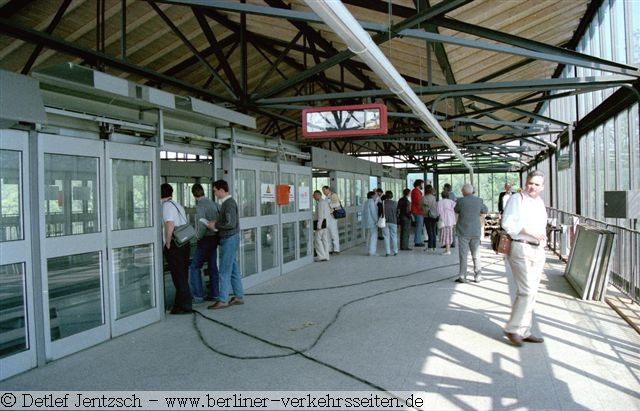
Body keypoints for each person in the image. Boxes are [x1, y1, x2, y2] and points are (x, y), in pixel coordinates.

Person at [502, 170, 547, 346]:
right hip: (521, 247)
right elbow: (507, 223)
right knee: (526, 290)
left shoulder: (540, 202)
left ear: (542, 187)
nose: (532, 187)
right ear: (525, 182)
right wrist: (528, 231)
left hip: (538, 249)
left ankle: (524, 330)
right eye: (530, 183)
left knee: (532, 292)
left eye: (536, 184)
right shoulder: (517, 199)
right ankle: (512, 329)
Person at [206, 180, 244, 309]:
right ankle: (238, 296)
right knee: (233, 269)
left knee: (224, 271)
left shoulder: (229, 204)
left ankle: (223, 300)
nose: (215, 193)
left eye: (215, 190)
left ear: (221, 190)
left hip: (229, 239)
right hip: (230, 239)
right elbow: (228, 221)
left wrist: (215, 225)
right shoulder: (227, 204)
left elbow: (230, 223)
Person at [160, 183, 192, 314]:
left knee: (178, 275)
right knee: (182, 274)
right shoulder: (177, 204)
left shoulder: (166, 206)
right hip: (184, 242)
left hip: (175, 244)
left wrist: (167, 243)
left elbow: (169, 224)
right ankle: (180, 304)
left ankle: (184, 306)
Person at [188, 183, 220, 304]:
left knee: (195, 266)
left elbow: (201, 224)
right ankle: (215, 294)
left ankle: (198, 296)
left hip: (205, 239)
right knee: (212, 267)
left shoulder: (200, 206)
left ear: (193, 195)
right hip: (214, 238)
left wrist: (197, 237)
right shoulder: (213, 203)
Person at [454, 183, 488, 283]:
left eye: (462, 191)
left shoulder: (460, 201)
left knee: (463, 255)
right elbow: (485, 210)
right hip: (475, 231)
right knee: (476, 254)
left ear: (464, 191)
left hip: (463, 231)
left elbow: (456, 210)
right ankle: (478, 276)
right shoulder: (479, 200)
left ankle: (462, 276)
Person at [313, 190, 331, 262]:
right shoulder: (325, 202)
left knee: (317, 240)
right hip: (326, 224)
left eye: (314, 195)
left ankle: (321, 256)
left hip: (321, 224)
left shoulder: (320, 203)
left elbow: (320, 215)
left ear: (318, 195)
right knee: (325, 240)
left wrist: (318, 226)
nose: (313, 197)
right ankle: (326, 256)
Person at [322, 185, 341, 254]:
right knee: (327, 233)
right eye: (322, 190)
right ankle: (329, 249)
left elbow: (337, 204)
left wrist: (329, 205)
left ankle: (336, 249)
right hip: (326, 216)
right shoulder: (326, 197)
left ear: (328, 189)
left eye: (324, 190)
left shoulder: (333, 195)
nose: (323, 192)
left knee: (333, 233)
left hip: (332, 216)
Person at [437, 190, 456, 255]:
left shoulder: (440, 202)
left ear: (441, 195)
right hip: (451, 220)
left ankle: (448, 250)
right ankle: (447, 249)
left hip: (444, 221)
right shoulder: (451, 202)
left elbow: (439, 212)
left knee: (445, 235)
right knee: (449, 234)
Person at [420, 184, 439, 253]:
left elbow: (420, 206)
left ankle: (430, 247)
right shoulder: (434, 197)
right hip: (434, 216)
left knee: (429, 231)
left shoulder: (424, 198)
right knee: (433, 231)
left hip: (427, 215)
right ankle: (434, 246)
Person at [382, 191, 398, 256]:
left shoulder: (383, 203)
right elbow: (397, 212)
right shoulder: (395, 203)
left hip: (385, 222)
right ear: (392, 196)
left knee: (386, 237)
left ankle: (387, 252)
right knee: (394, 236)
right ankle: (395, 251)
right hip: (393, 221)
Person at [362, 191, 378, 256]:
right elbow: (373, 213)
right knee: (373, 237)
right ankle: (372, 252)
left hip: (367, 222)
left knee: (369, 236)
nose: (376, 196)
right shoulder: (371, 202)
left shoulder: (366, 202)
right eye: (375, 195)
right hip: (372, 222)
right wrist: (377, 221)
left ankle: (368, 250)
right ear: (372, 196)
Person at [410, 179, 425, 247]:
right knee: (419, 226)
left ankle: (418, 240)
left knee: (419, 226)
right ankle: (417, 241)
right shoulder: (416, 191)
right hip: (418, 211)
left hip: (417, 210)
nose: (423, 185)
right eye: (422, 184)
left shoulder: (416, 191)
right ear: (419, 184)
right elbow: (418, 201)